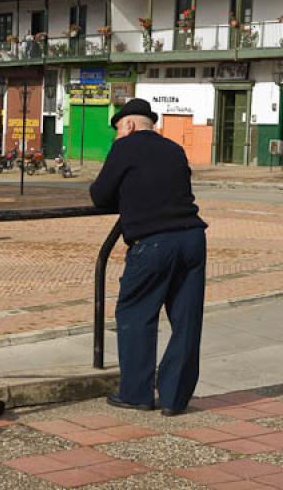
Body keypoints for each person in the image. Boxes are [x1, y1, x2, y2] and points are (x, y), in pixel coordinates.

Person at [89, 98, 207, 417]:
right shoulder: (174, 149)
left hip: (154, 242)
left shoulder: (124, 148)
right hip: (193, 237)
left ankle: (136, 393)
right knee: (186, 320)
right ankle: (174, 398)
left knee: (135, 313)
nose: (116, 137)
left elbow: (100, 195)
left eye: (116, 131)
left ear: (127, 126)